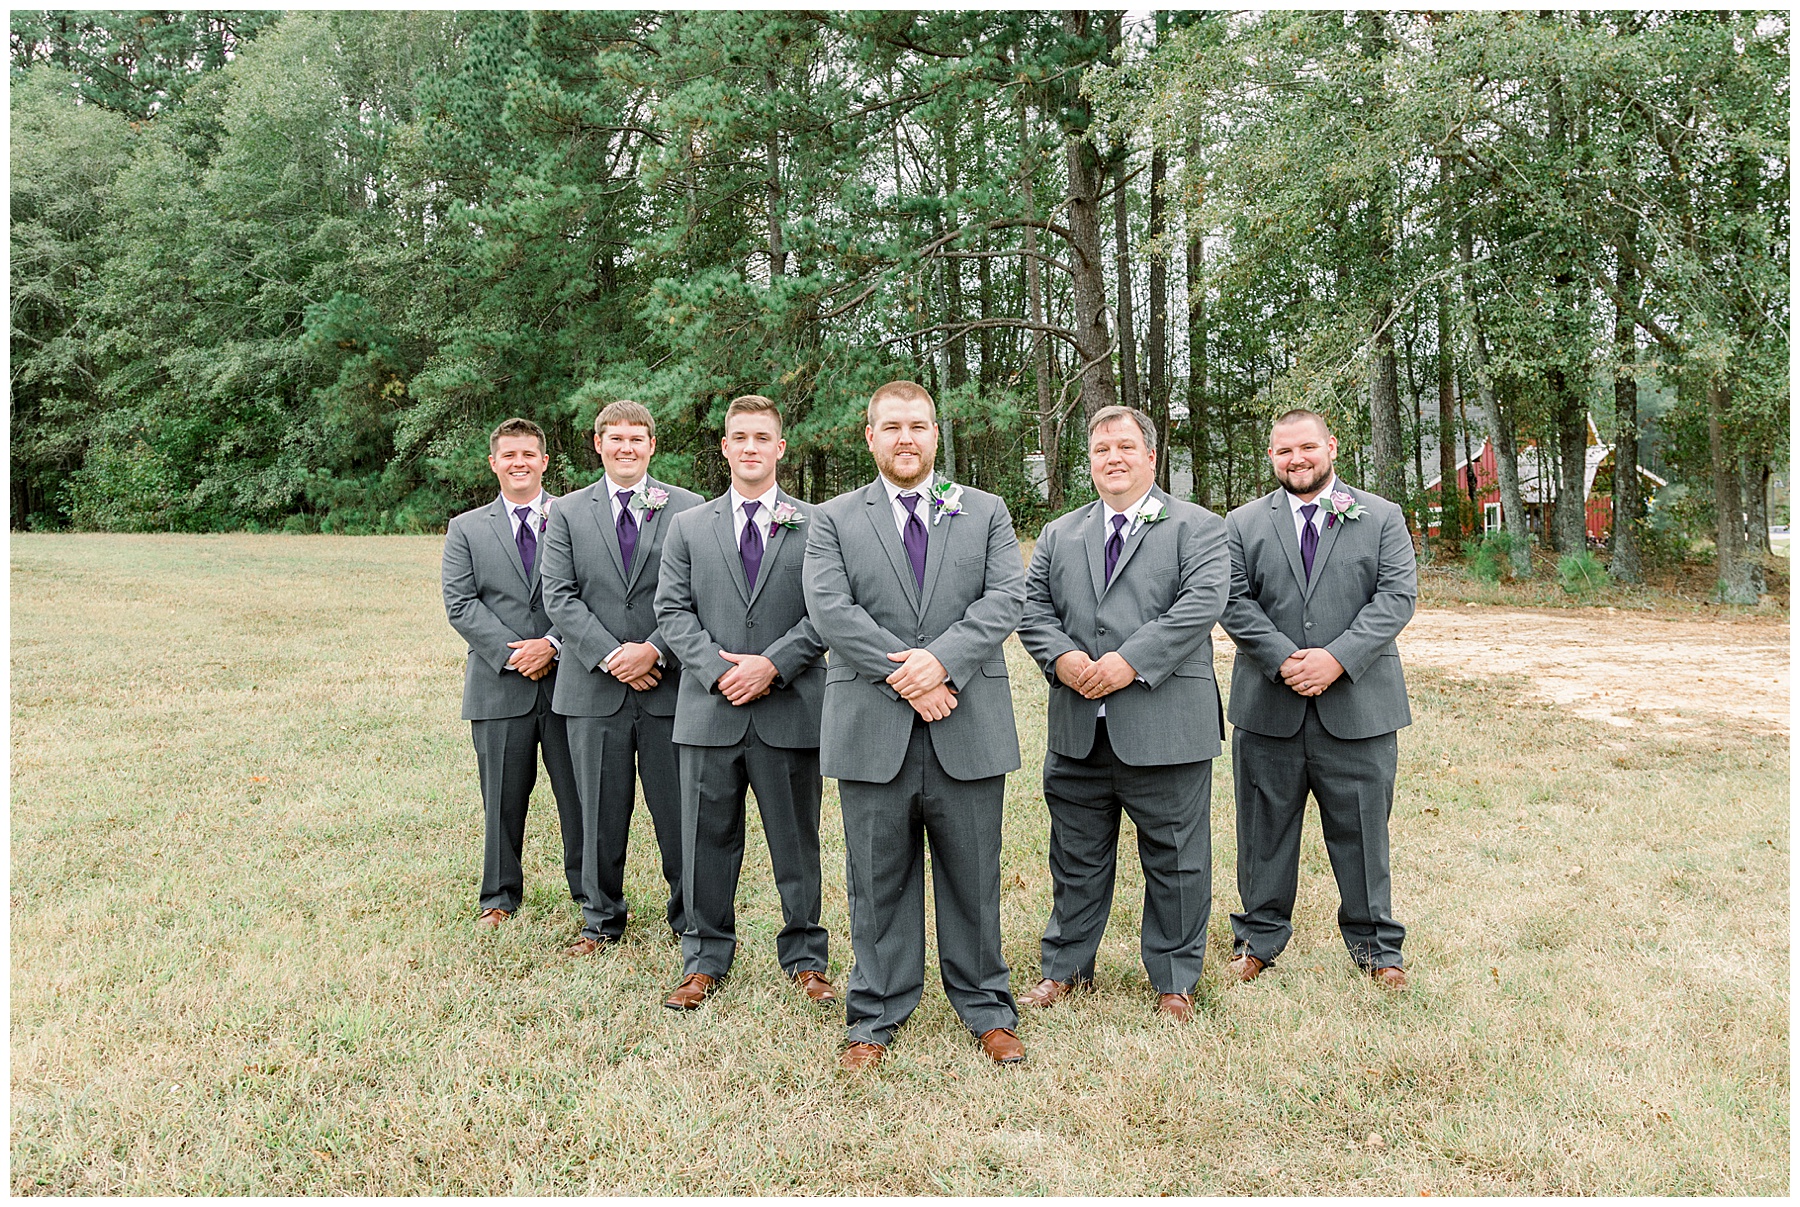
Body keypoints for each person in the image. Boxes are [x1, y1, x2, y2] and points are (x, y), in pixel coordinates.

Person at [802, 380, 1027, 1070]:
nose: (906, 437)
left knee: (973, 876)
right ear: (869, 436)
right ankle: (874, 1013)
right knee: (877, 879)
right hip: (873, 723)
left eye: (919, 425)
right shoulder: (834, 519)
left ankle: (987, 1007)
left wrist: (942, 663)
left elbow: (1005, 597)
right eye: (892, 425)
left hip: (967, 720)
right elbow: (829, 609)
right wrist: (907, 676)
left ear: (937, 434)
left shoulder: (985, 511)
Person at [1016, 405, 1229, 1021]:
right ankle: (1065, 970)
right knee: (1075, 857)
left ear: (1151, 457)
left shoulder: (1197, 526)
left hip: (1164, 722)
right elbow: (1033, 609)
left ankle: (1174, 981)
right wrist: (1061, 659)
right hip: (1078, 725)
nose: (1113, 457)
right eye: (1101, 448)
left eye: (1126, 447)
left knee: (1177, 859)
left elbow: (1200, 604)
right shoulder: (1061, 533)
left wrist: (1129, 661)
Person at [1219, 408, 1417, 988]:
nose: (1296, 459)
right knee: (1262, 831)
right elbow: (1233, 598)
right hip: (1268, 705)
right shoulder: (1242, 523)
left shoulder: (1381, 516)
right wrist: (1283, 658)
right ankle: (1257, 938)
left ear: (1331, 447)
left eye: (1307, 447)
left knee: (1362, 832)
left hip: (1358, 706)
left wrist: (1336, 658)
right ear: (1272, 457)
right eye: (1283, 451)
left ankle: (1378, 948)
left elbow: (1396, 597)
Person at [652, 395, 834, 1010]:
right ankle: (704, 959)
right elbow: (671, 611)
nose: (751, 447)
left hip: (790, 709)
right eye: (740, 437)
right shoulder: (689, 526)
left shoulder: (819, 524)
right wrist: (715, 670)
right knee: (705, 839)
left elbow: (828, 613)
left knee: (796, 841)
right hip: (709, 710)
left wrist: (773, 666)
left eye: (763, 437)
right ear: (725, 448)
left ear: (780, 449)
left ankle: (807, 958)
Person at [539, 400, 703, 956]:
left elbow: (697, 594)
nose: (626, 447)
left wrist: (654, 651)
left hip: (670, 687)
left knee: (680, 812)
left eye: (637, 438)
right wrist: (612, 656)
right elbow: (558, 596)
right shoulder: (564, 512)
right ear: (598, 444)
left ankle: (690, 919)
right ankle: (600, 920)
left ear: (652, 445)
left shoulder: (688, 508)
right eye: (616, 438)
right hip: (593, 690)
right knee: (597, 812)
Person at [441, 417, 585, 933]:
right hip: (499, 686)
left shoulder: (574, 518)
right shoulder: (467, 527)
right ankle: (499, 897)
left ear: (545, 461)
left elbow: (586, 593)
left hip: (572, 682)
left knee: (580, 796)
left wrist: (552, 644)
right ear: (494, 462)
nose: (519, 463)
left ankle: (589, 892)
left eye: (529, 454)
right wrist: (515, 653)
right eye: (509, 455)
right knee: (501, 798)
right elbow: (460, 603)